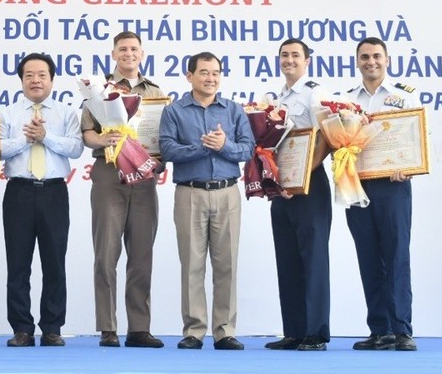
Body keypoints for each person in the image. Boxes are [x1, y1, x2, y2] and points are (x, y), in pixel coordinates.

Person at [159, 51, 255, 351]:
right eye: (203, 72)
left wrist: (224, 145)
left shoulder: (233, 110)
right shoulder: (174, 111)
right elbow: (168, 149)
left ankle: (224, 331)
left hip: (227, 193)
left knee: (226, 264)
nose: (210, 78)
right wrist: (203, 148)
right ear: (189, 76)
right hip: (190, 192)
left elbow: (247, 149)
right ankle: (194, 331)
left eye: (215, 72)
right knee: (192, 264)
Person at [81, 31, 165, 348]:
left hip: (144, 176)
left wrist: (160, 155)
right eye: (122, 49)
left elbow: (162, 136)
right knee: (106, 252)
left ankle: (139, 329)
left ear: (142, 54)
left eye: (134, 49)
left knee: (141, 253)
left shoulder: (156, 92)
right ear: (114, 54)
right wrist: (102, 140)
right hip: (108, 172)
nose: (129, 53)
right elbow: (87, 131)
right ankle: (108, 327)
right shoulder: (98, 89)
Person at [0, 53, 84, 347]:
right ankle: (22, 328)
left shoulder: (66, 113)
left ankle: (52, 327)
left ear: (52, 79)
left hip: (54, 192)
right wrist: (26, 139)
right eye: (29, 75)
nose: (36, 80)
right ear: (21, 79)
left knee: (54, 263)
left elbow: (75, 148)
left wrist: (45, 137)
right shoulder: (7, 114)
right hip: (18, 192)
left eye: (42, 75)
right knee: (18, 264)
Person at [344, 37, 418, 351]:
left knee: (397, 256)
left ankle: (402, 330)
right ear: (357, 61)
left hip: (393, 184)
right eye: (364, 57)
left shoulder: (404, 97)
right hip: (357, 185)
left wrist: (409, 166)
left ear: (387, 60)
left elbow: (416, 141)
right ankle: (379, 330)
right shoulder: (345, 101)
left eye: (376, 56)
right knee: (369, 258)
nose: (370, 61)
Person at [265, 38, 332, 352]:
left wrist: (302, 175)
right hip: (281, 186)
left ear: (307, 60)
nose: (289, 60)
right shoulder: (274, 97)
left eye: (295, 55)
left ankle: (315, 333)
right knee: (287, 258)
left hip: (309, 185)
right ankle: (293, 330)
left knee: (313, 257)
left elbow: (328, 137)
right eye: (284, 55)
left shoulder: (314, 91)